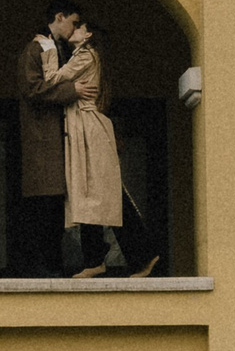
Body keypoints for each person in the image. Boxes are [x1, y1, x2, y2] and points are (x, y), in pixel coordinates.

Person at [39, 18, 162, 280]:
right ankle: (97, 259)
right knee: (91, 192)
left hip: (88, 128)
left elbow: (51, 79)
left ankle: (140, 254)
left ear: (87, 34)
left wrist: (48, 49)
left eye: (78, 27)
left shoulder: (86, 55)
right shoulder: (84, 55)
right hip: (85, 127)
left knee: (102, 192)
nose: (72, 30)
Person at [14, 0, 90, 276]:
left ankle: (54, 267)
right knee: (44, 209)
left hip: (62, 141)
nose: (75, 28)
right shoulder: (35, 49)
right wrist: (72, 91)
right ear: (59, 17)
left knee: (57, 211)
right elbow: (32, 90)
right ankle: (44, 270)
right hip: (43, 143)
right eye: (73, 22)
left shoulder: (62, 49)